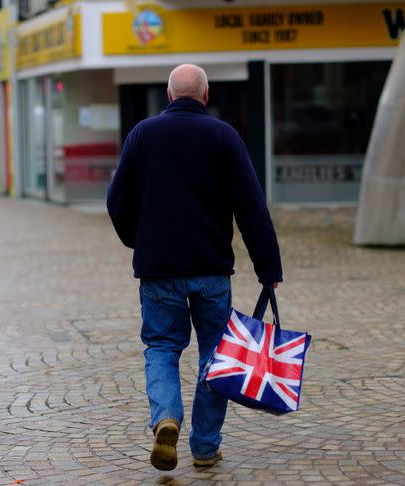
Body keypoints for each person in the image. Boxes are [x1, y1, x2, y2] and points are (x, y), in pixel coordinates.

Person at [106, 64, 283, 471]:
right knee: (216, 354)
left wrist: (139, 240)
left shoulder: (142, 134)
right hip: (210, 269)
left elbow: (117, 201)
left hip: (158, 269)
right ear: (206, 96)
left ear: (170, 96)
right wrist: (267, 266)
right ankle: (204, 447)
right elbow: (251, 207)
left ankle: (166, 417)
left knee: (162, 347)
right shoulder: (223, 135)